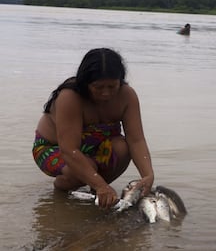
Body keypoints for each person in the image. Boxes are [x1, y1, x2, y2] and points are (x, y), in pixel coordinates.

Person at [32, 48, 154, 209]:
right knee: (81, 169)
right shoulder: (70, 97)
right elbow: (68, 150)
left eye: (112, 87)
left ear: (120, 81)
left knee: (123, 147)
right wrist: (101, 185)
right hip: (53, 148)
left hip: (95, 147)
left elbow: (136, 140)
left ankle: (97, 189)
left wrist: (148, 175)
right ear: (86, 83)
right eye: (98, 87)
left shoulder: (127, 96)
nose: (106, 93)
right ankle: (62, 188)